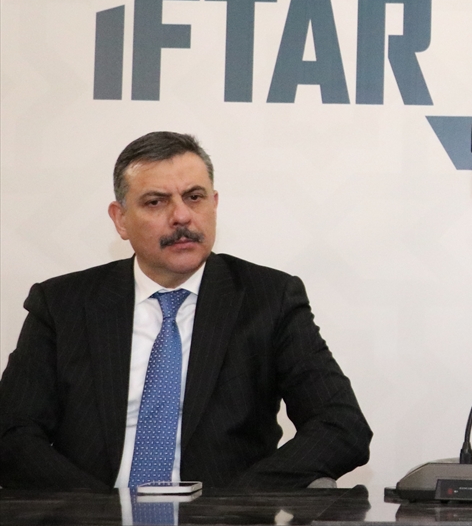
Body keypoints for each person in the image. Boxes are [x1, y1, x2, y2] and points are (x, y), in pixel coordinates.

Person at [0, 132, 372, 489]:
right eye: (156, 202)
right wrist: (98, 511)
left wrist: (234, 503)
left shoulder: (269, 299)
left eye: (194, 197)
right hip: (92, 511)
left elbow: (340, 425)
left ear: (214, 204)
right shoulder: (62, 304)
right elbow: (11, 433)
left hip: (223, 515)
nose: (181, 216)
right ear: (120, 219)